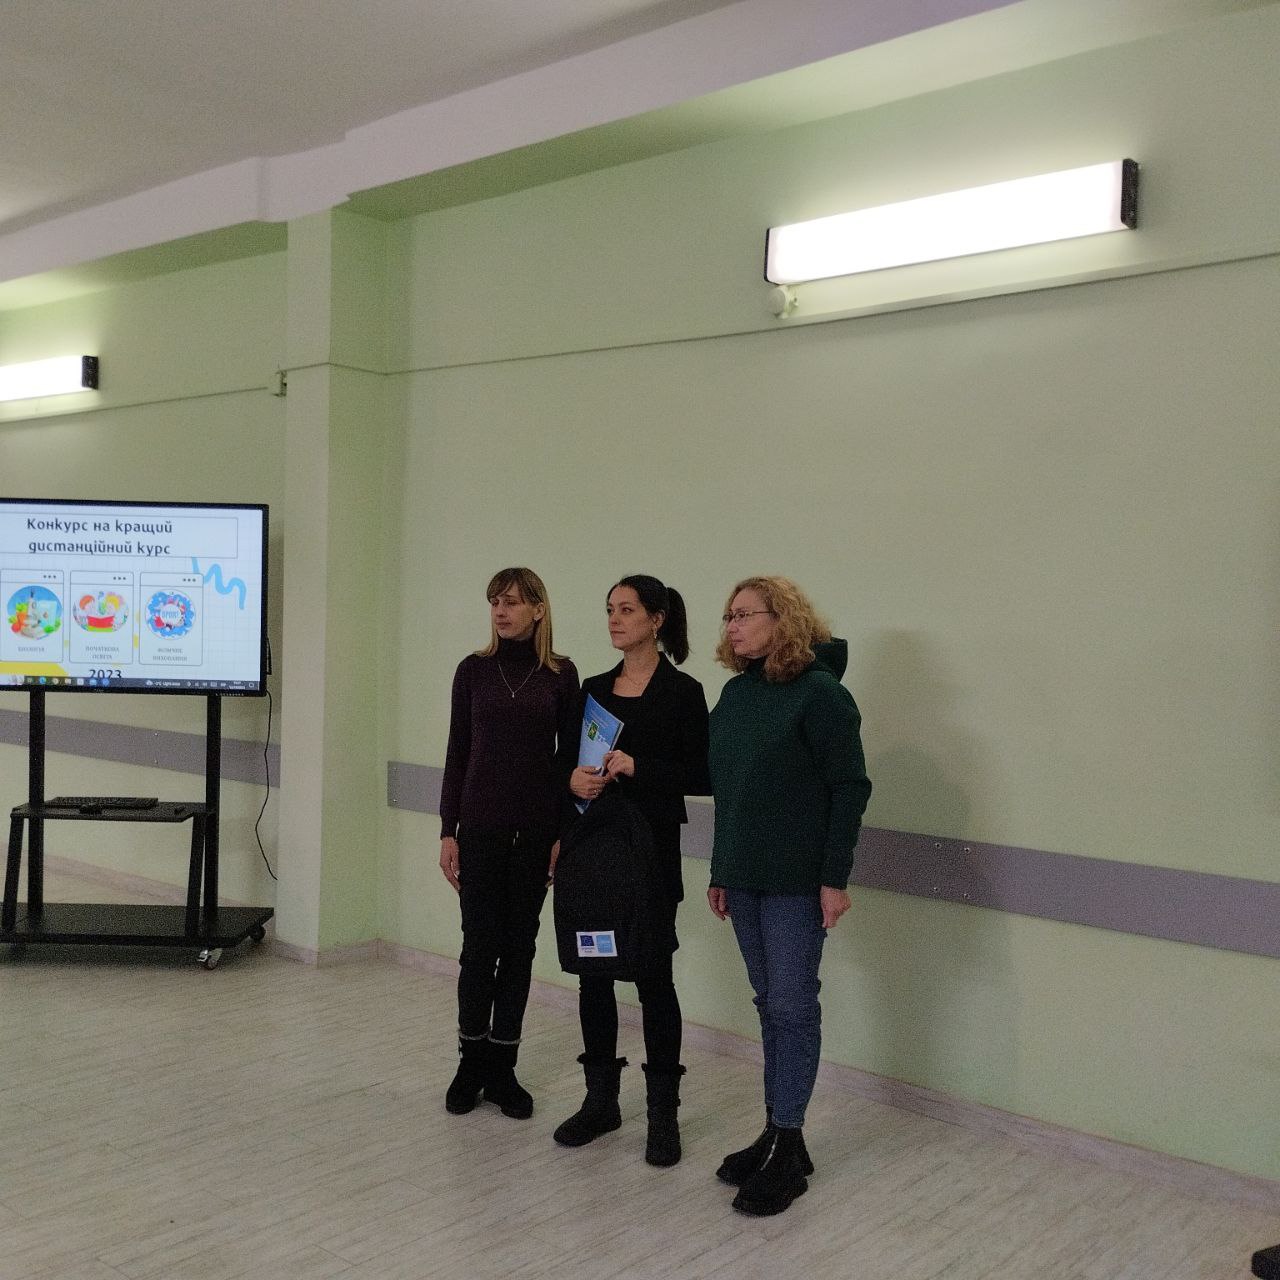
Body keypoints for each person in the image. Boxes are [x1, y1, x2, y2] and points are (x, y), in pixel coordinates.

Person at [706, 576, 871, 1216]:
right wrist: (721, 869)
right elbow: (730, 789)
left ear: (783, 620)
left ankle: (790, 1141)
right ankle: (779, 1132)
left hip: (798, 882)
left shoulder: (821, 694)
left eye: (745, 614)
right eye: (728, 616)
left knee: (793, 1005)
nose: (732, 626)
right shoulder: (736, 694)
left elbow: (848, 788)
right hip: (745, 878)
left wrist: (835, 879)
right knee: (769, 1004)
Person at [554, 574, 710, 1166]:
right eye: (610, 610)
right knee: (592, 976)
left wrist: (640, 767)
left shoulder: (683, 691)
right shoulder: (593, 690)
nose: (615, 620)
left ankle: (662, 1116)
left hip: (649, 860)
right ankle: (600, 1103)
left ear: (657, 619)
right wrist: (571, 780)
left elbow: (704, 774)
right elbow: (562, 763)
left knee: (653, 979)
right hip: (591, 856)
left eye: (626, 610)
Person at [438, 567, 579, 1119]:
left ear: (538, 609)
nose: (501, 610)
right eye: (495, 601)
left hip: (535, 834)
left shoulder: (561, 675)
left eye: (514, 601)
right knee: (478, 950)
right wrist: (447, 830)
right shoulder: (472, 670)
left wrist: (563, 833)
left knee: (519, 951)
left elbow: (569, 762)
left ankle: (503, 1069)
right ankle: (469, 1063)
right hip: (479, 832)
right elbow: (458, 751)